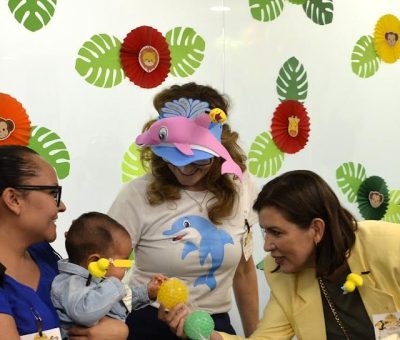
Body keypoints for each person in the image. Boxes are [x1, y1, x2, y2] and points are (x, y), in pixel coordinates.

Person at [161, 170, 400, 340]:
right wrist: (204, 333)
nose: (266, 246)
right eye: (265, 232)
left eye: (276, 232)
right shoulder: (283, 276)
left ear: (316, 229)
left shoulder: (390, 246)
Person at [109, 82, 260, 339]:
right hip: (149, 322)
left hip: (214, 327)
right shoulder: (135, 195)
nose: (184, 169)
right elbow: (110, 270)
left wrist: (256, 337)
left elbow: (244, 271)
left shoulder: (242, 187)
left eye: (198, 160)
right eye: (173, 158)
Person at [0, 145, 128, 340]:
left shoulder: (44, 254)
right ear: (13, 199)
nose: (62, 206)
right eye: (53, 193)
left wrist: (118, 329)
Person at [51, 211, 167, 339]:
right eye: (124, 263)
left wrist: (146, 292)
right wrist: (114, 284)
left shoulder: (100, 281)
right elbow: (84, 313)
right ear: (95, 261)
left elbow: (119, 300)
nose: (127, 268)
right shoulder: (71, 283)